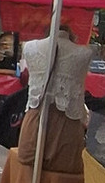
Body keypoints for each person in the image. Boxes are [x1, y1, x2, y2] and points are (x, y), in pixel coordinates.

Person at [17, 26, 93, 174]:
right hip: (67, 126)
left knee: (31, 160)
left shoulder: (30, 47)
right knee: (64, 166)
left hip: (35, 120)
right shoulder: (84, 53)